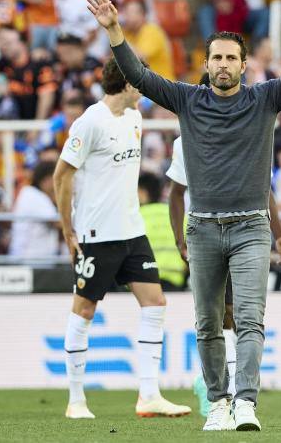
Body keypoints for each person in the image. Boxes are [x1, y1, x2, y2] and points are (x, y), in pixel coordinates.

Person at [89, 0, 281, 431]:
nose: (224, 65)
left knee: (249, 319)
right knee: (208, 325)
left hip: (252, 228)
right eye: (217, 58)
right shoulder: (188, 100)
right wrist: (114, 29)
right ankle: (219, 401)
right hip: (203, 230)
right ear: (206, 64)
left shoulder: (265, 98)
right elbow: (140, 74)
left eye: (232, 58)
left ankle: (245, 402)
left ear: (244, 65)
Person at [52, 59, 191, 421]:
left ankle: (149, 395)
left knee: (155, 302)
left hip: (133, 230)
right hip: (97, 235)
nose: (145, 88)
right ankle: (76, 401)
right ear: (128, 84)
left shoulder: (135, 118)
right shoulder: (90, 121)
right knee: (84, 309)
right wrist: (68, 229)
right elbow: (61, 175)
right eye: (140, 81)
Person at [165, 124, 281, 417]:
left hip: (246, 234)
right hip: (206, 235)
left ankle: (237, 394)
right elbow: (176, 193)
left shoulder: (250, 135)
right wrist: (179, 239)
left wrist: (279, 234)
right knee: (214, 318)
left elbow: (264, 190)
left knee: (239, 315)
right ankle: (218, 389)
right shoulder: (185, 141)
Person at [138, 172, 188, 291]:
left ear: (143, 192)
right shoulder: (179, 216)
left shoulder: (136, 217)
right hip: (176, 284)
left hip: (143, 283)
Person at [9, 161, 60, 259]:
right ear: (46, 179)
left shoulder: (29, 193)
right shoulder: (35, 196)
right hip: (31, 261)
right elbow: (59, 223)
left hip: (31, 260)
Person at [121, 0, 174, 81]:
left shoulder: (152, 30)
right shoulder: (128, 32)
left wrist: (115, 33)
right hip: (146, 86)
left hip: (163, 86)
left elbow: (138, 58)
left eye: (129, 13)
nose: (125, 17)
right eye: (125, 13)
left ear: (142, 15)